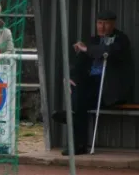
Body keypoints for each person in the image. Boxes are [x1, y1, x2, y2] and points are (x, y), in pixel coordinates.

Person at [52, 10, 134, 155]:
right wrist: (70, 76)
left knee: (79, 102)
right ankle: (75, 132)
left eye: (106, 23)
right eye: (99, 23)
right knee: (77, 90)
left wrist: (87, 48)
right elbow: (80, 63)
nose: (101, 27)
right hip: (92, 84)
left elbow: (107, 52)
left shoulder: (121, 39)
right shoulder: (94, 40)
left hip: (109, 87)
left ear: (113, 24)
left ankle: (73, 124)